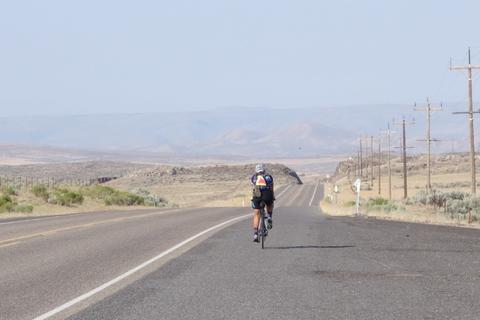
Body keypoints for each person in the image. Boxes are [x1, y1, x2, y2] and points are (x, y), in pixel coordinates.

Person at [251, 164, 274, 242]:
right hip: (267, 194)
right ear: (264, 170)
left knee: (256, 214)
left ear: (256, 170)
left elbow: (253, 188)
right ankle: (270, 217)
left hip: (257, 197)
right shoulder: (268, 177)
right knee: (270, 203)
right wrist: (272, 196)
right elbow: (271, 188)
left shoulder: (254, 177)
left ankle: (255, 234)